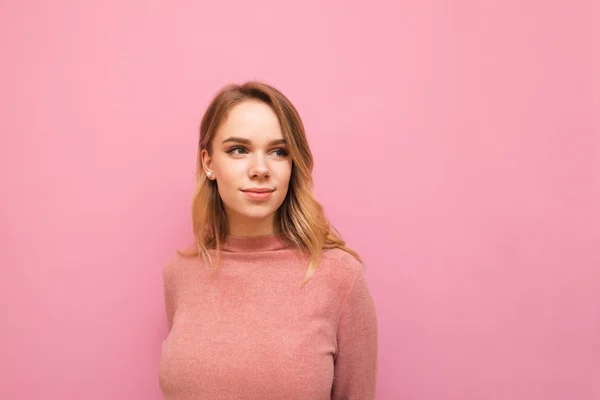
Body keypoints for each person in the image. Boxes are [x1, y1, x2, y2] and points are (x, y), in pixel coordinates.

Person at [158, 81, 378, 399]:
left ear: (292, 164)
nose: (260, 169)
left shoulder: (340, 277)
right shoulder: (180, 272)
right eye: (239, 150)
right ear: (208, 163)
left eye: (278, 152)